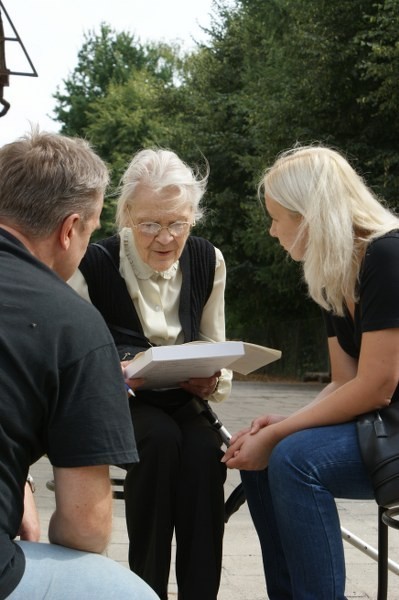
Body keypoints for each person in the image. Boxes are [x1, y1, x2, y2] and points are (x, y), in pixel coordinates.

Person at [222, 145, 399, 599]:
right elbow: (344, 383)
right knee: (259, 460)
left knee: (294, 459)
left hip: (389, 429)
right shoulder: (338, 271)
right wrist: (277, 426)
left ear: (310, 215)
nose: (272, 229)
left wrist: (280, 437)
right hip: (383, 431)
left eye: (278, 217)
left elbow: (378, 386)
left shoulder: (388, 257)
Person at [0, 129, 159, 600]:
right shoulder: (73, 323)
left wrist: (19, 480)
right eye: (89, 235)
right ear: (70, 230)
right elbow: (85, 528)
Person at [68, 147, 233, 600]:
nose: (166, 237)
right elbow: (74, 357)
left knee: (204, 452)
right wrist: (113, 373)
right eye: (150, 224)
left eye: (178, 222)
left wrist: (214, 378)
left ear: (192, 219)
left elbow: (215, 341)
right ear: (126, 216)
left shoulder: (208, 259)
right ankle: (146, 589)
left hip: (185, 398)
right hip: (122, 402)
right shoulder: (94, 264)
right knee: (160, 443)